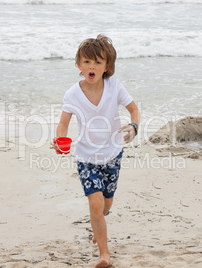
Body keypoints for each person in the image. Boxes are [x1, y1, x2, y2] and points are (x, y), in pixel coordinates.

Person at [52, 34, 140, 268]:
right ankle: (104, 254)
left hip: (112, 153)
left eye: (98, 62)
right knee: (95, 203)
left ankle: (98, 224)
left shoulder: (114, 86)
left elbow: (134, 110)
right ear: (78, 64)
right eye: (87, 62)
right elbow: (63, 123)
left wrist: (134, 126)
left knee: (106, 203)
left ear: (107, 66)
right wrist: (60, 139)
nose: (92, 67)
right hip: (86, 157)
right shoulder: (72, 94)